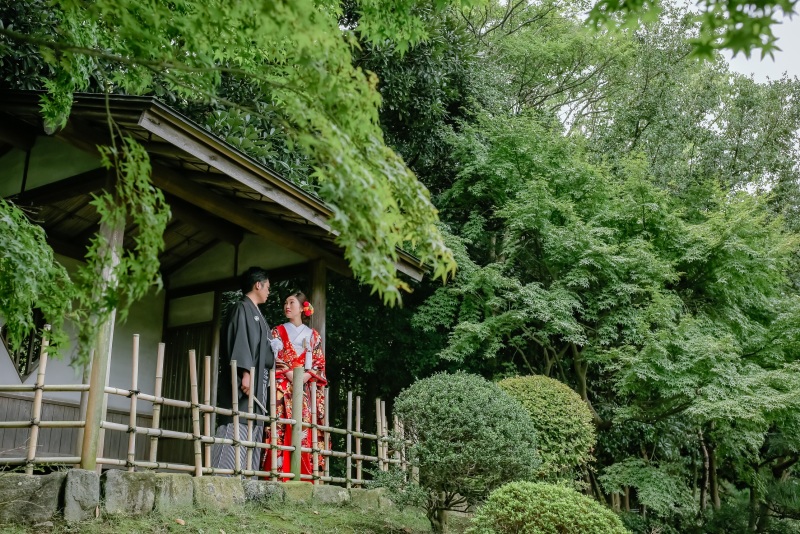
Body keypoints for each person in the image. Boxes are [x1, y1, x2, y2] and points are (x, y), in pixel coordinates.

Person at [211, 267, 280, 475]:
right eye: (267, 287)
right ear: (257, 285)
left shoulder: (257, 313)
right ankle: (222, 477)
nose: (268, 291)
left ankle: (247, 479)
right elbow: (240, 341)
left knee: (254, 426)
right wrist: (246, 373)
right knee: (237, 422)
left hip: (260, 381)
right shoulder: (241, 308)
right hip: (247, 380)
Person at [262, 290, 327, 481]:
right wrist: (290, 374)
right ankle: (278, 471)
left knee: (305, 425)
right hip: (283, 385)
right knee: (280, 423)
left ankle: (305, 473)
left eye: (291, 303)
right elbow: (274, 357)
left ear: (302, 308)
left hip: (305, 386)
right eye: (285, 303)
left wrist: (304, 377)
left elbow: (318, 362)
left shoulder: (313, 335)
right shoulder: (277, 331)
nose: (287, 306)